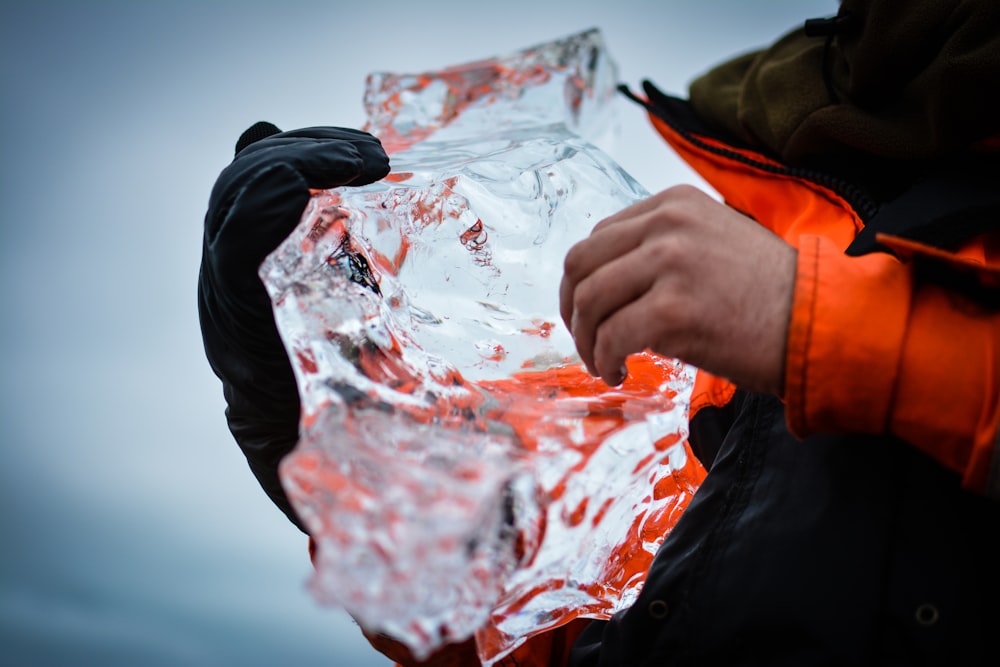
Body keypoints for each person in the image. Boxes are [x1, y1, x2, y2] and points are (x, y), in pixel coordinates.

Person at [198, 1, 1000, 665]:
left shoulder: (768, 271)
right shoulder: (778, 203)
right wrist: (338, 439)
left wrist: (818, 323)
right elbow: (570, 616)